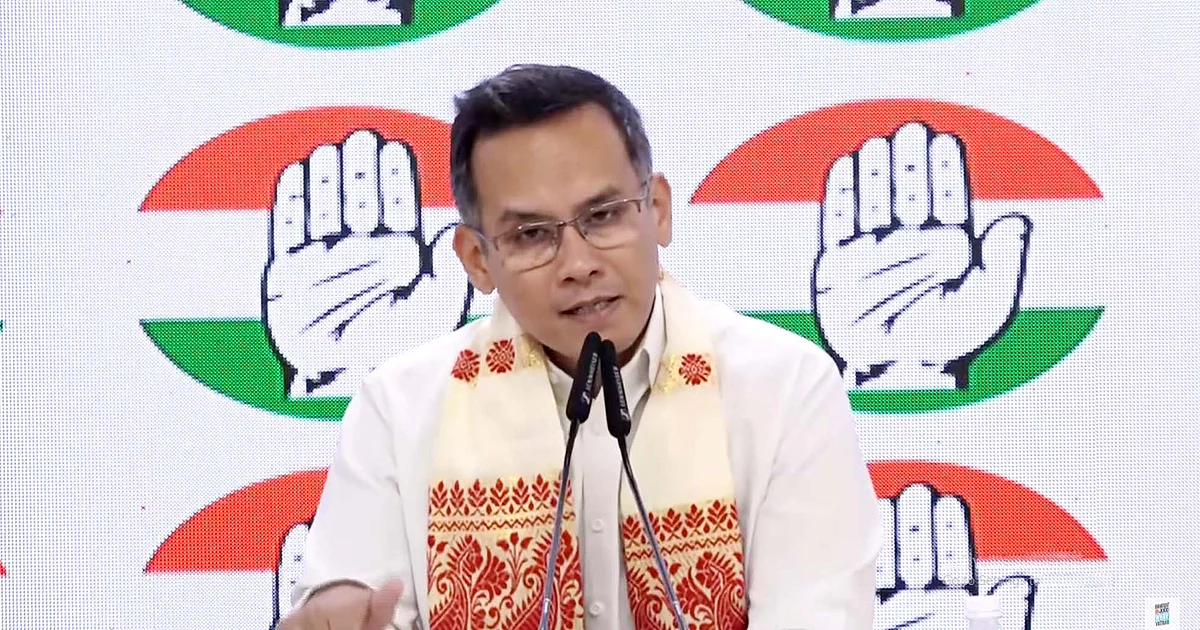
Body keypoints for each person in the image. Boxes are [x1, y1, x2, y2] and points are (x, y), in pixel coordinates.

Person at [276, 64, 882, 630]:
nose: (578, 264)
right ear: (477, 260)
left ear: (658, 211)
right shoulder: (399, 411)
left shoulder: (786, 390)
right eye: (532, 234)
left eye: (604, 215)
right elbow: (356, 609)